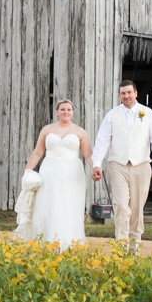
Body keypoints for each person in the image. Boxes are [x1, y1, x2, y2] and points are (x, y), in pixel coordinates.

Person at [91, 80, 152, 252]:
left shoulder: (147, 114)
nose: (126, 96)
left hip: (141, 164)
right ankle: (121, 244)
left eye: (129, 93)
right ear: (119, 95)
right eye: (123, 93)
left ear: (135, 93)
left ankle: (135, 246)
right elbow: (102, 141)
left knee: (136, 207)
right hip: (118, 164)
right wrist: (97, 164)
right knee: (121, 205)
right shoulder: (112, 115)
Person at [15, 99, 93, 250]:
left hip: (72, 172)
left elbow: (88, 154)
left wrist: (94, 169)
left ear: (73, 112)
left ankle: (68, 241)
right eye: (62, 109)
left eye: (69, 110)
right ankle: (45, 239)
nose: (66, 112)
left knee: (68, 204)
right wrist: (28, 171)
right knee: (48, 203)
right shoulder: (47, 130)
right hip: (49, 170)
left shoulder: (80, 132)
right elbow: (38, 152)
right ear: (57, 112)